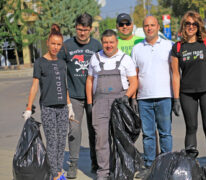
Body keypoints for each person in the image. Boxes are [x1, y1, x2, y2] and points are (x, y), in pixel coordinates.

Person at [22, 24, 74, 180]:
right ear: (47, 42)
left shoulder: (62, 63)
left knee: (61, 142)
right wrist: (29, 108)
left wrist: (70, 106)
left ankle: (57, 171)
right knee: (52, 142)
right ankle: (56, 174)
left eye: (59, 44)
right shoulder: (40, 63)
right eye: (53, 43)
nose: (56, 47)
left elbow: (64, 86)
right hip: (48, 108)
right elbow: (34, 86)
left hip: (63, 108)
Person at [86, 29, 138, 180]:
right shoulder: (95, 58)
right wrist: (89, 103)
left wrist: (127, 97)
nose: (108, 45)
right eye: (105, 42)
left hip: (120, 103)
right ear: (102, 42)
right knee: (101, 139)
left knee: (122, 138)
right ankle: (103, 172)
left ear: (116, 42)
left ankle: (122, 170)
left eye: (111, 42)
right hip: (99, 102)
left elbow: (134, 82)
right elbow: (89, 81)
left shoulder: (125, 59)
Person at [57, 13, 102, 178]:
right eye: (79, 29)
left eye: (85, 30)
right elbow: (59, 72)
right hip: (74, 98)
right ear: (75, 28)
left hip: (94, 97)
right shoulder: (67, 46)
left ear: (90, 29)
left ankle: (95, 163)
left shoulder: (97, 46)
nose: (82, 33)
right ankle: (73, 164)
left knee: (94, 131)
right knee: (74, 131)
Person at [171, 10, 206, 160]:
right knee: (191, 128)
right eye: (188, 24)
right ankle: (190, 164)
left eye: (194, 24)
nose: (191, 27)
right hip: (187, 94)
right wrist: (176, 99)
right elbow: (176, 75)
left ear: (199, 26)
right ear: (183, 26)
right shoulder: (178, 47)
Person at [131, 16, 173, 177]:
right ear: (143, 28)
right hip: (144, 98)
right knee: (148, 134)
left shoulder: (169, 46)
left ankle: (166, 165)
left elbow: (175, 72)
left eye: (152, 25)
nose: (149, 28)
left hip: (164, 96)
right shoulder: (137, 48)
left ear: (158, 27)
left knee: (165, 133)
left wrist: (176, 97)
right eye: (146, 25)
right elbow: (134, 74)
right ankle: (149, 166)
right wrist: (134, 97)